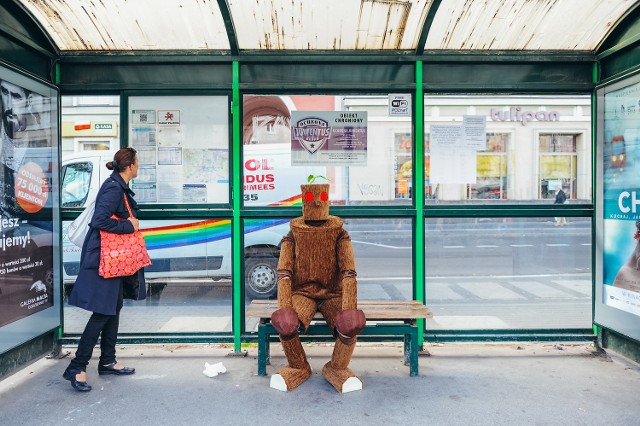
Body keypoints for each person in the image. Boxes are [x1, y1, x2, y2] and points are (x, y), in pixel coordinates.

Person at [63, 147, 147, 392]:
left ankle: (108, 360)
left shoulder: (118, 186)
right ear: (130, 166)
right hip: (105, 259)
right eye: (138, 162)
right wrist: (128, 227)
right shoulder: (113, 188)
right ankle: (76, 367)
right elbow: (99, 221)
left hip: (112, 259)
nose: (139, 166)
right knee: (102, 311)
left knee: (113, 307)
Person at [270, 181, 365, 393]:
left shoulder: (339, 233)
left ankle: (337, 367)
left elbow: (348, 272)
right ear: (304, 201)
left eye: (321, 199)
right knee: (285, 323)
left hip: (333, 293)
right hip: (303, 292)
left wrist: (349, 307)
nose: (315, 205)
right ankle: (298, 366)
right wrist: (285, 306)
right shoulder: (293, 233)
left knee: (349, 325)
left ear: (327, 200)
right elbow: (284, 272)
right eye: (311, 200)